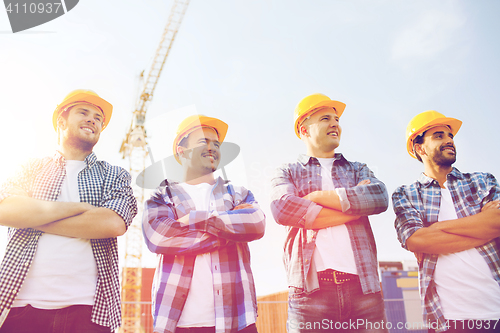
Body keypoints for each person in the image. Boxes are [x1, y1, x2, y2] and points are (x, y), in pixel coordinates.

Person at [0, 89, 137, 332]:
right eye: (83, 112)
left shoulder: (115, 175)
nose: (92, 120)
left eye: (98, 118)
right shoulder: (30, 167)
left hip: (88, 311)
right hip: (19, 306)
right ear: (61, 121)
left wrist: (31, 218)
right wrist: (80, 209)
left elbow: (112, 223)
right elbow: (6, 210)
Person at [270, 93, 389, 332]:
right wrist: (357, 206)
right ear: (304, 130)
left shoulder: (358, 169)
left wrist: (314, 199)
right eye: (326, 118)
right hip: (310, 293)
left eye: (337, 119)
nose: (335, 124)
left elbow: (379, 197)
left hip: (364, 288)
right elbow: (283, 208)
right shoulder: (288, 171)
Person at [142, 115, 265, 333]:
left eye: (216, 144)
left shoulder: (238, 193)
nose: (213, 148)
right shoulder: (163, 196)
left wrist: (196, 220)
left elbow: (256, 222)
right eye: (203, 142)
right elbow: (159, 237)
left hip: (238, 320)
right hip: (178, 323)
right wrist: (230, 230)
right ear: (181, 150)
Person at [392, 110, 500, 333]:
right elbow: (416, 240)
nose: (449, 140)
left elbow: (497, 222)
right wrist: (480, 224)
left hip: (496, 309)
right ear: (419, 148)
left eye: (450, 136)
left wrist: (437, 229)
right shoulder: (406, 194)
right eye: (439, 136)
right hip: (447, 320)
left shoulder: (482, 180)